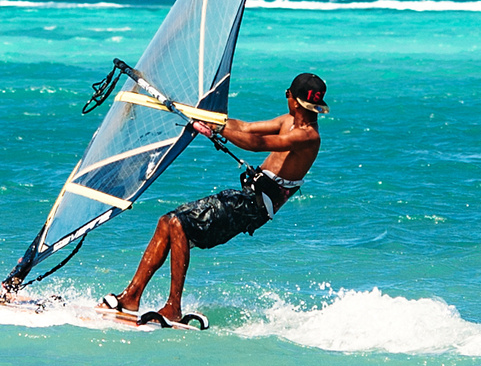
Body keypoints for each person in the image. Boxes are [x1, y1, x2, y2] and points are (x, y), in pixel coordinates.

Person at [105, 72, 326, 325]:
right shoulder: (289, 121)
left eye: (288, 94)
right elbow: (246, 128)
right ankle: (131, 296)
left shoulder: (308, 136)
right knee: (166, 221)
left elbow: (258, 143)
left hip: (255, 207)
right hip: (246, 197)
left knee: (179, 224)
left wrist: (218, 128)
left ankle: (173, 308)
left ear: (294, 100)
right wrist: (205, 118)